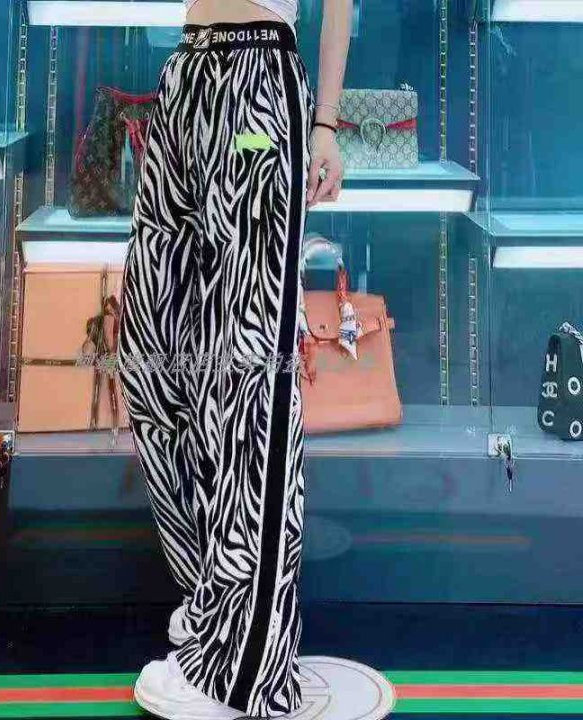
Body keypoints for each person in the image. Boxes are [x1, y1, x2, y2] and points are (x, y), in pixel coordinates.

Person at [116, 0, 352, 715]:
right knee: (152, 350)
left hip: (259, 79)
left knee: (252, 376)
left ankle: (244, 669)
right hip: (187, 75)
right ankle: (215, 599)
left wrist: (325, 126)